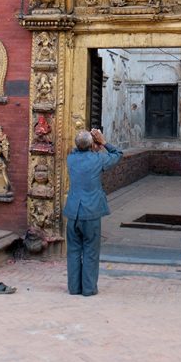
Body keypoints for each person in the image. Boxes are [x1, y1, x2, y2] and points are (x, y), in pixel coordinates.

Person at [63, 127, 123, 296]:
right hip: (91, 212)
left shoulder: (71, 159)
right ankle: (88, 289)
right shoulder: (98, 159)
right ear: (91, 146)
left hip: (73, 211)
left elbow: (78, 149)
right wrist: (102, 142)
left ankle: (74, 288)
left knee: (73, 250)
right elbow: (118, 154)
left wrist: (87, 142)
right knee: (90, 250)